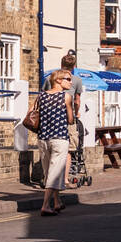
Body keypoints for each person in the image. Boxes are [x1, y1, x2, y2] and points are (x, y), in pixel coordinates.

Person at [37, 69, 74, 216]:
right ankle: (46, 205)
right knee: (55, 172)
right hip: (59, 138)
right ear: (58, 80)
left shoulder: (41, 96)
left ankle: (57, 202)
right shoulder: (66, 96)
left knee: (48, 171)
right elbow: (70, 119)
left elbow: (34, 112)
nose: (70, 82)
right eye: (68, 79)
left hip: (43, 138)